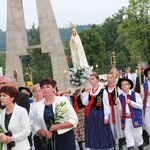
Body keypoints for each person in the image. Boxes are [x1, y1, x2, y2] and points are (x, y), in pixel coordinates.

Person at [33, 77, 78, 150]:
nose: (45, 89)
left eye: (48, 87)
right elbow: (35, 123)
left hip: (64, 137)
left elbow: (74, 119)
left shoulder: (63, 101)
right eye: (43, 87)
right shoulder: (37, 105)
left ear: (54, 88)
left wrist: (59, 126)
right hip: (48, 138)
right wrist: (44, 133)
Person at [81, 72, 115, 149]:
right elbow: (85, 102)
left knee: (101, 131)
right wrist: (86, 93)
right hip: (90, 114)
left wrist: (106, 116)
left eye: (92, 79)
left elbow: (106, 104)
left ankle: (103, 147)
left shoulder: (103, 91)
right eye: (90, 79)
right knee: (92, 131)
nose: (91, 81)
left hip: (99, 114)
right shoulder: (90, 91)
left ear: (97, 80)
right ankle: (94, 146)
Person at [117, 78, 144, 150]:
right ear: (121, 87)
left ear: (129, 85)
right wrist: (119, 109)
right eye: (122, 85)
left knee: (138, 137)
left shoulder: (135, 94)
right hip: (126, 120)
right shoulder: (120, 97)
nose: (124, 86)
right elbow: (120, 109)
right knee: (129, 140)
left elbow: (141, 106)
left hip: (135, 118)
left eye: (126, 84)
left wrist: (131, 102)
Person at [105, 71, 124, 150]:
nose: (109, 79)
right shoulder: (105, 89)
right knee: (110, 127)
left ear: (114, 78)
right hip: (108, 109)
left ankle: (120, 145)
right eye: (108, 78)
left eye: (110, 78)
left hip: (116, 109)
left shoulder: (117, 88)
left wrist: (119, 105)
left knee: (118, 126)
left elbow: (122, 98)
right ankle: (113, 146)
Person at [135, 62, 149, 146]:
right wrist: (138, 94)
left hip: (147, 102)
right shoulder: (138, 78)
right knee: (144, 122)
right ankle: (146, 139)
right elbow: (136, 89)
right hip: (141, 103)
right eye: (141, 69)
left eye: (144, 69)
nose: (142, 70)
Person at [29, 84, 44, 150]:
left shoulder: (47, 103)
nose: (38, 93)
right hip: (36, 133)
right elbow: (29, 119)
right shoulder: (31, 105)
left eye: (39, 91)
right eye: (36, 91)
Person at [141, 68, 150, 143]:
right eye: (149, 73)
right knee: (147, 125)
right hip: (147, 107)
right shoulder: (144, 85)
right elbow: (142, 98)